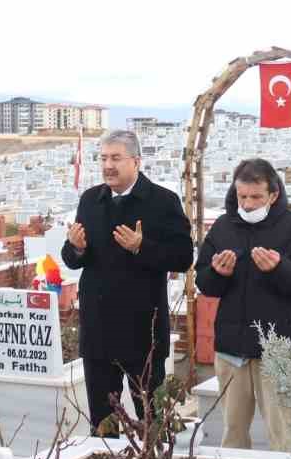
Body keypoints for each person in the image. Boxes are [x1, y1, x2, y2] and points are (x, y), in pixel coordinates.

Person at [62, 130, 193, 432]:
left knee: (152, 418)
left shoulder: (162, 201)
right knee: (103, 422)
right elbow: (72, 259)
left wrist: (140, 247)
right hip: (98, 332)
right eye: (104, 158)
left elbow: (183, 257)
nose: (108, 165)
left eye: (116, 158)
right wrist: (76, 248)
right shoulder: (91, 200)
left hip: (142, 333)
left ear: (136, 161)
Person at [192, 158, 291, 450]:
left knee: (283, 434)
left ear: (273, 195)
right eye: (242, 197)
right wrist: (218, 273)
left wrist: (280, 268)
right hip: (231, 349)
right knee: (232, 433)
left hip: (277, 350)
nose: (248, 204)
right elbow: (205, 282)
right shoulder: (223, 226)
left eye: (256, 197)